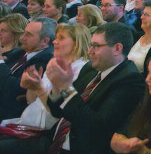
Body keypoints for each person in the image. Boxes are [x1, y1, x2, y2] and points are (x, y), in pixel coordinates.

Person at [46, 22, 145, 154]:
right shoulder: (90, 69)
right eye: (91, 45)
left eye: (96, 46)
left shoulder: (130, 81)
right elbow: (58, 111)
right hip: (60, 140)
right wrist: (57, 86)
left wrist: (66, 87)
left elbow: (96, 125)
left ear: (117, 48)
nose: (89, 51)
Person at [0, 23, 91, 153]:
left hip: (47, 132)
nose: (55, 41)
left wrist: (39, 88)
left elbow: (59, 111)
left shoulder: (82, 70)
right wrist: (32, 86)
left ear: (76, 44)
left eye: (61, 38)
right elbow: (31, 100)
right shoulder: (54, 63)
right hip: (29, 122)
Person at [0, 17, 55, 121]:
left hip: (13, 116)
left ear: (44, 41)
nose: (22, 38)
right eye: (24, 33)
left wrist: (0, 62)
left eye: (28, 35)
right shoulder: (22, 52)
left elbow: (15, 89)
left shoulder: (44, 61)